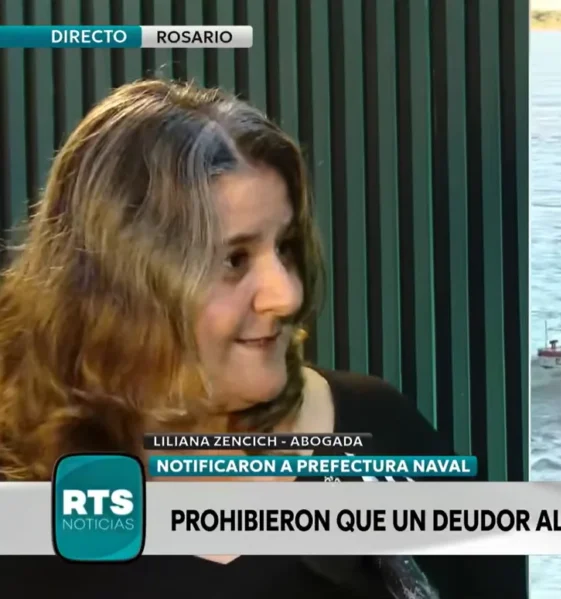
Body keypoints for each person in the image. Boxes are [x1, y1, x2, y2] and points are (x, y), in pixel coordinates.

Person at [0, 80, 525, 598]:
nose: (286, 295)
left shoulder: (378, 429)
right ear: (119, 284)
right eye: (235, 259)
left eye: (285, 247)